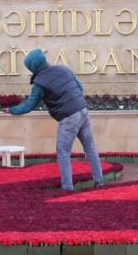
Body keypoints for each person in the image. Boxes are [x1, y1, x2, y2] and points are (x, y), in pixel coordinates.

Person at [6, 48, 103, 191]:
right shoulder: (63, 69)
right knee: (90, 148)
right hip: (83, 110)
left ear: (33, 67)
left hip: (68, 117)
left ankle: (67, 188)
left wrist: (11, 110)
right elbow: (80, 88)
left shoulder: (40, 83)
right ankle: (99, 181)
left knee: (63, 153)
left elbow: (29, 105)